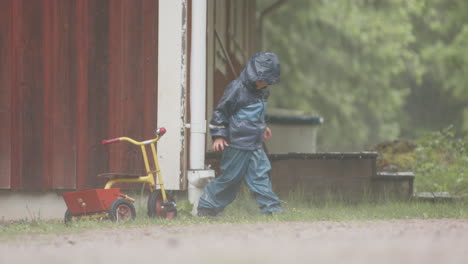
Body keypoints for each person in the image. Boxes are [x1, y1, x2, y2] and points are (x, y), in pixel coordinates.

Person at [197, 52, 283, 217]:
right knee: (231, 179)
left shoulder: (262, 91)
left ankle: (271, 209)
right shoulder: (237, 89)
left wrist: (263, 126)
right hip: (236, 144)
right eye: (264, 79)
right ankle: (208, 206)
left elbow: (257, 114)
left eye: (269, 81)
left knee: (261, 175)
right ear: (254, 75)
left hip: (255, 144)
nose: (266, 84)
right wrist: (219, 135)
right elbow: (221, 113)